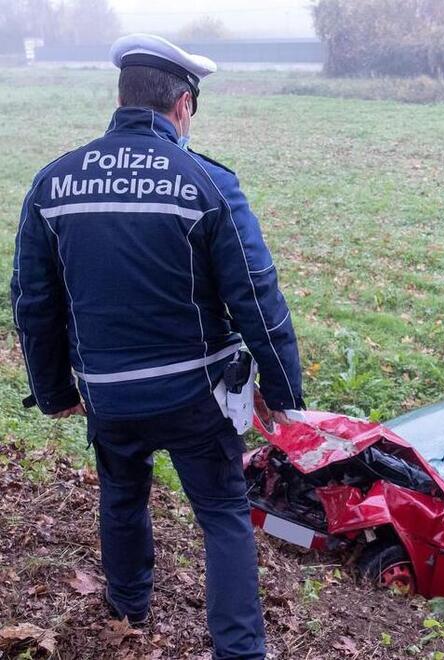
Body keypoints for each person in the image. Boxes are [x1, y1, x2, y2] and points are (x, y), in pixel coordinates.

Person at [10, 33, 303, 659]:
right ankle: (241, 650)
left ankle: (127, 610)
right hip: (196, 396)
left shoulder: (52, 183)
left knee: (121, 495)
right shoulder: (208, 182)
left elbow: (32, 300)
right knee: (223, 511)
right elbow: (257, 295)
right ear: (184, 105)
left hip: (109, 396)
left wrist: (55, 389)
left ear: (122, 96)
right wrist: (283, 393)